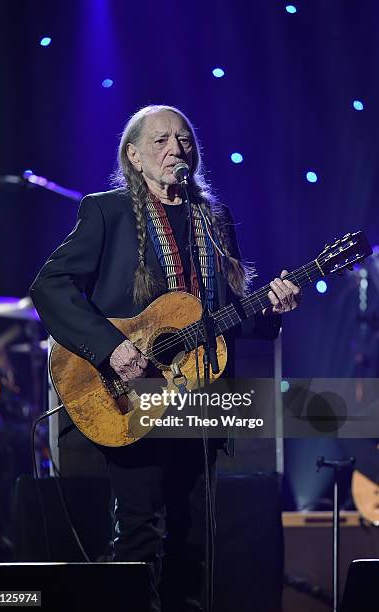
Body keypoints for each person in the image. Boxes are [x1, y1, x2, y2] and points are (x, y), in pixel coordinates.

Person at [30, 105, 300, 612]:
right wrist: (111, 347)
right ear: (133, 156)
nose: (177, 148)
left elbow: (225, 318)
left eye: (185, 139)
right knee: (140, 533)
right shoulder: (106, 211)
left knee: (195, 539)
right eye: (161, 141)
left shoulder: (213, 219)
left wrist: (272, 308)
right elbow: (50, 286)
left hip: (198, 395)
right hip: (130, 393)